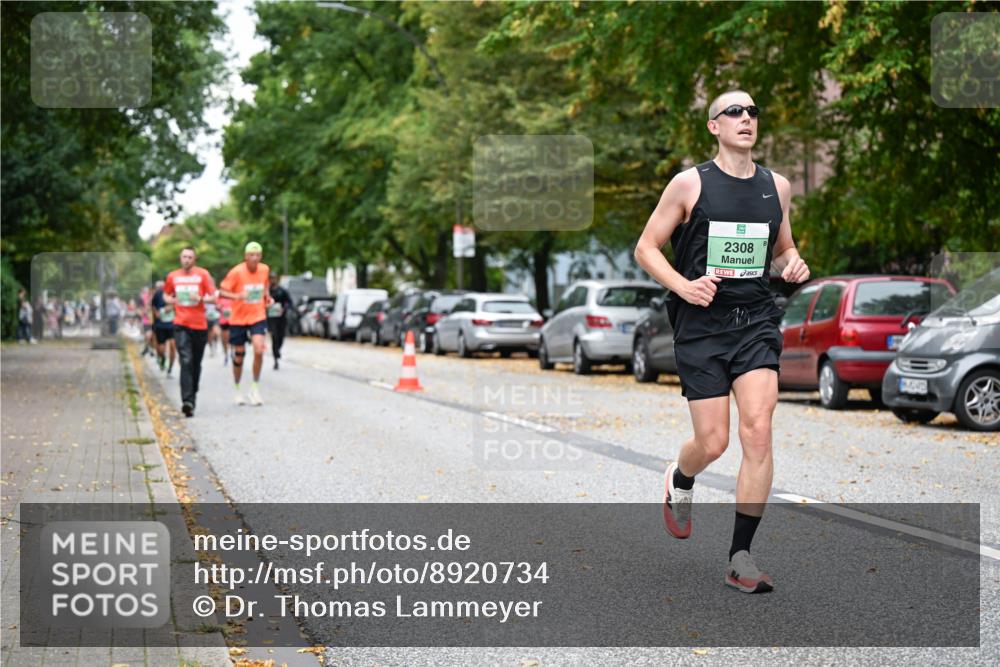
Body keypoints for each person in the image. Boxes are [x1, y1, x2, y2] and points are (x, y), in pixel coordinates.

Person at [634, 90, 810, 594]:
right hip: (702, 326)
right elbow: (646, 247)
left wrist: (791, 264)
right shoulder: (689, 184)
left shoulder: (776, 186)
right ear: (714, 126)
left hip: (754, 321)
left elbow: (782, 250)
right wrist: (683, 285)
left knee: (758, 432)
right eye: (734, 111)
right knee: (714, 442)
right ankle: (680, 478)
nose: (746, 118)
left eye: (753, 111)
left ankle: (741, 557)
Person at [164, 247, 216, 418]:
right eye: (184, 257)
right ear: (180, 259)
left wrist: (200, 298)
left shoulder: (203, 275)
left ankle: (192, 391)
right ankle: (187, 401)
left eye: (190, 257)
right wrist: (171, 300)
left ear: (195, 259)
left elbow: (213, 296)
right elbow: (166, 295)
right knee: (185, 360)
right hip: (181, 324)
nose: (186, 260)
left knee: (195, 363)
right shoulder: (173, 276)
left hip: (199, 325)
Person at [219, 242, 272, 406]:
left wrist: (267, 298)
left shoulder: (264, 269)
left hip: (258, 314)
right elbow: (222, 291)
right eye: (251, 255)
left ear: (261, 256)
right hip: (239, 318)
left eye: (258, 255)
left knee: (258, 349)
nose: (255, 258)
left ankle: (254, 389)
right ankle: (237, 390)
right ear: (246, 256)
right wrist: (237, 297)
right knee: (239, 355)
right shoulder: (236, 272)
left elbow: (265, 287)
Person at [267, 273, 293, 370]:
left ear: (277, 279)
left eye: (274, 278)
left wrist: (284, 308)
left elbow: (290, 303)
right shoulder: (267, 291)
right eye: (271, 278)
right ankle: (275, 359)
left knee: (281, 337)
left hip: (281, 318)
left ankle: (278, 349)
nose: (273, 280)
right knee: (274, 336)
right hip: (271, 318)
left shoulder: (283, 291)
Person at [151, 280, 176, 377]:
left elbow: (180, 304)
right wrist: (156, 313)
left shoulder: (175, 293)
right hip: (161, 324)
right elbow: (153, 305)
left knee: (173, 346)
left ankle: (170, 369)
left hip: (173, 324)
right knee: (161, 348)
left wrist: (172, 307)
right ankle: (163, 358)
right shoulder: (158, 294)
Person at [217, 292, 232, 365]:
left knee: (232, 338)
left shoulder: (233, 295)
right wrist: (219, 307)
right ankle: (226, 354)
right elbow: (216, 306)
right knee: (224, 340)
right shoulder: (220, 297)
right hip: (223, 321)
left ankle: (233, 351)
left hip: (233, 321)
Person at [140, 285, 154, 356]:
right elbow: (141, 309)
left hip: (153, 320)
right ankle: (148, 349)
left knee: (150, 336)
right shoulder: (143, 298)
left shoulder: (153, 297)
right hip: (146, 320)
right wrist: (145, 310)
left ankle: (147, 348)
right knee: (147, 336)